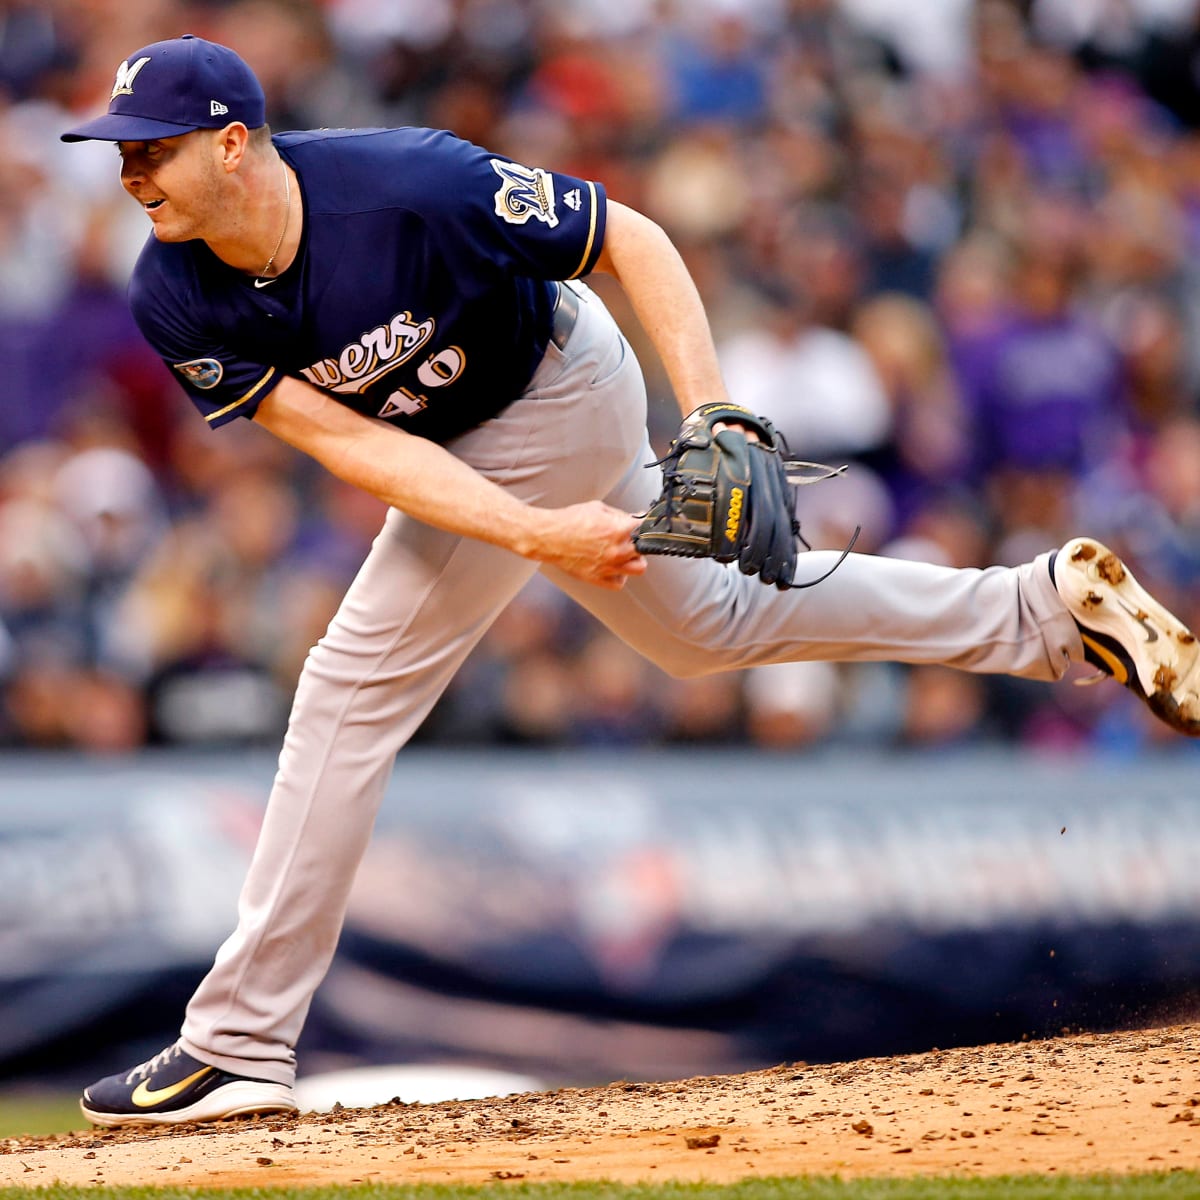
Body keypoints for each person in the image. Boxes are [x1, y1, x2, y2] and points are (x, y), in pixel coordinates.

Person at [61, 35, 1199, 1127]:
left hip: (559, 379)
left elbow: (631, 236)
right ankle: (1043, 610)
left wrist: (707, 406)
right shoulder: (174, 292)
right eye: (120, 150)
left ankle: (240, 1044)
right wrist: (531, 533)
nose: (128, 170)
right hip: (458, 445)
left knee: (349, 690)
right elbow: (361, 450)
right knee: (707, 627)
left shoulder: (406, 183)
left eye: (150, 146)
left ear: (231, 141)